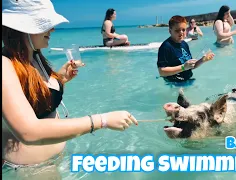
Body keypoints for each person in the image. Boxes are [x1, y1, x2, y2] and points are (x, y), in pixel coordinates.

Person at [2, 0, 137, 178]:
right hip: (31, 170)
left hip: (54, 160)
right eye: (46, 24)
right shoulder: (5, 65)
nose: (52, 29)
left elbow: (34, 100)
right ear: (23, 28)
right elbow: (28, 131)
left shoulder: (34, 57)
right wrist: (102, 121)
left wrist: (61, 79)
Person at [157, 15, 215, 84]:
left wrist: (203, 60)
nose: (181, 32)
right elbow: (161, 72)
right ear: (170, 31)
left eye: (183, 30)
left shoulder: (184, 44)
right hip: (174, 83)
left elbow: (190, 66)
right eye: (177, 30)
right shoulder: (165, 47)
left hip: (188, 80)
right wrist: (183, 67)